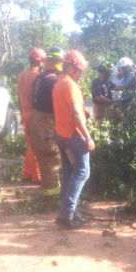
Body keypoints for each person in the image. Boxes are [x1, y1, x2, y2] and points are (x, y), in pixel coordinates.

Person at [52, 50, 95, 229]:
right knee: (82, 172)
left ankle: (71, 213)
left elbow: (70, 109)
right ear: (71, 68)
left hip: (61, 134)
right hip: (73, 136)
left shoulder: (59, 83)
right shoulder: (70, 85)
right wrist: (87, 136)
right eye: (79, 71)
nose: (80, 75)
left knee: (69, 174)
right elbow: (76, 113)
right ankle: (67, 214)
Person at [29, 46, 64, 197]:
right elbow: (62, 102)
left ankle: (48, 193)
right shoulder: (52, 80)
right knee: (52, 157)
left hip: (36, 122)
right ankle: (53, 198)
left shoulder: (40, 77)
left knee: (45, 160)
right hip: (45, 125)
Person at [17, 47, 45, 183]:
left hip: (24, 113)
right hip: (33, 114)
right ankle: (36, 175)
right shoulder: (37, 77)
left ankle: (27, 173)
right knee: (36, 145)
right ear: (39, 62)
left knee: (30, 144)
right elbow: (37, 98)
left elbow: (18, 97)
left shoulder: (22, 75)